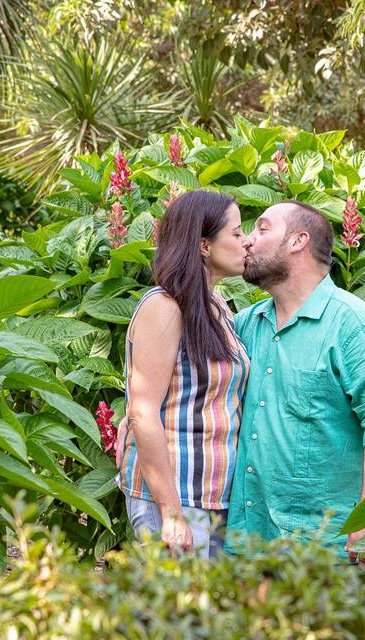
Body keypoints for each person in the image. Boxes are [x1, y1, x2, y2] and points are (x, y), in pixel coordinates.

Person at [227, 200, 365, 563]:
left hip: (326, 548)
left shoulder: (353, 325)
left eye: (262, 228)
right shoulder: (246, 324)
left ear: (298, 241)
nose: (247, 240)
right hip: (247, 539)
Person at [116, 190, 249, 558]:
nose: (246, 242)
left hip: (212, 495)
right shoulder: (164, 307)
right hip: (175, 498)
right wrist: (171, 512)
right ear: (204, 245)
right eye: (236, 234)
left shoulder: (217, 305)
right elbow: (144, 410)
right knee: (178, 612)